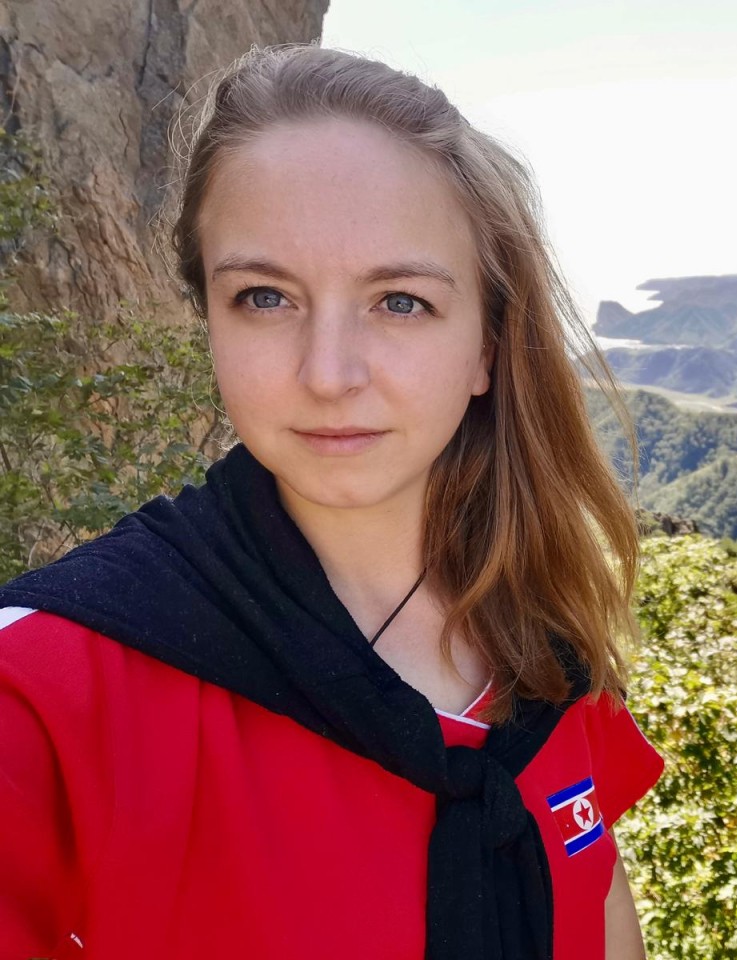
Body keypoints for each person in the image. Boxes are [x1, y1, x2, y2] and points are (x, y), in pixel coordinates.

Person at [0, 43, 662, 960]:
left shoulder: (539, 640)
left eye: (399, 302)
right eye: (265, 297)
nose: (327, 374)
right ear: (210, 320)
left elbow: (597, 914)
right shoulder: (48, 687)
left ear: (486, 348)